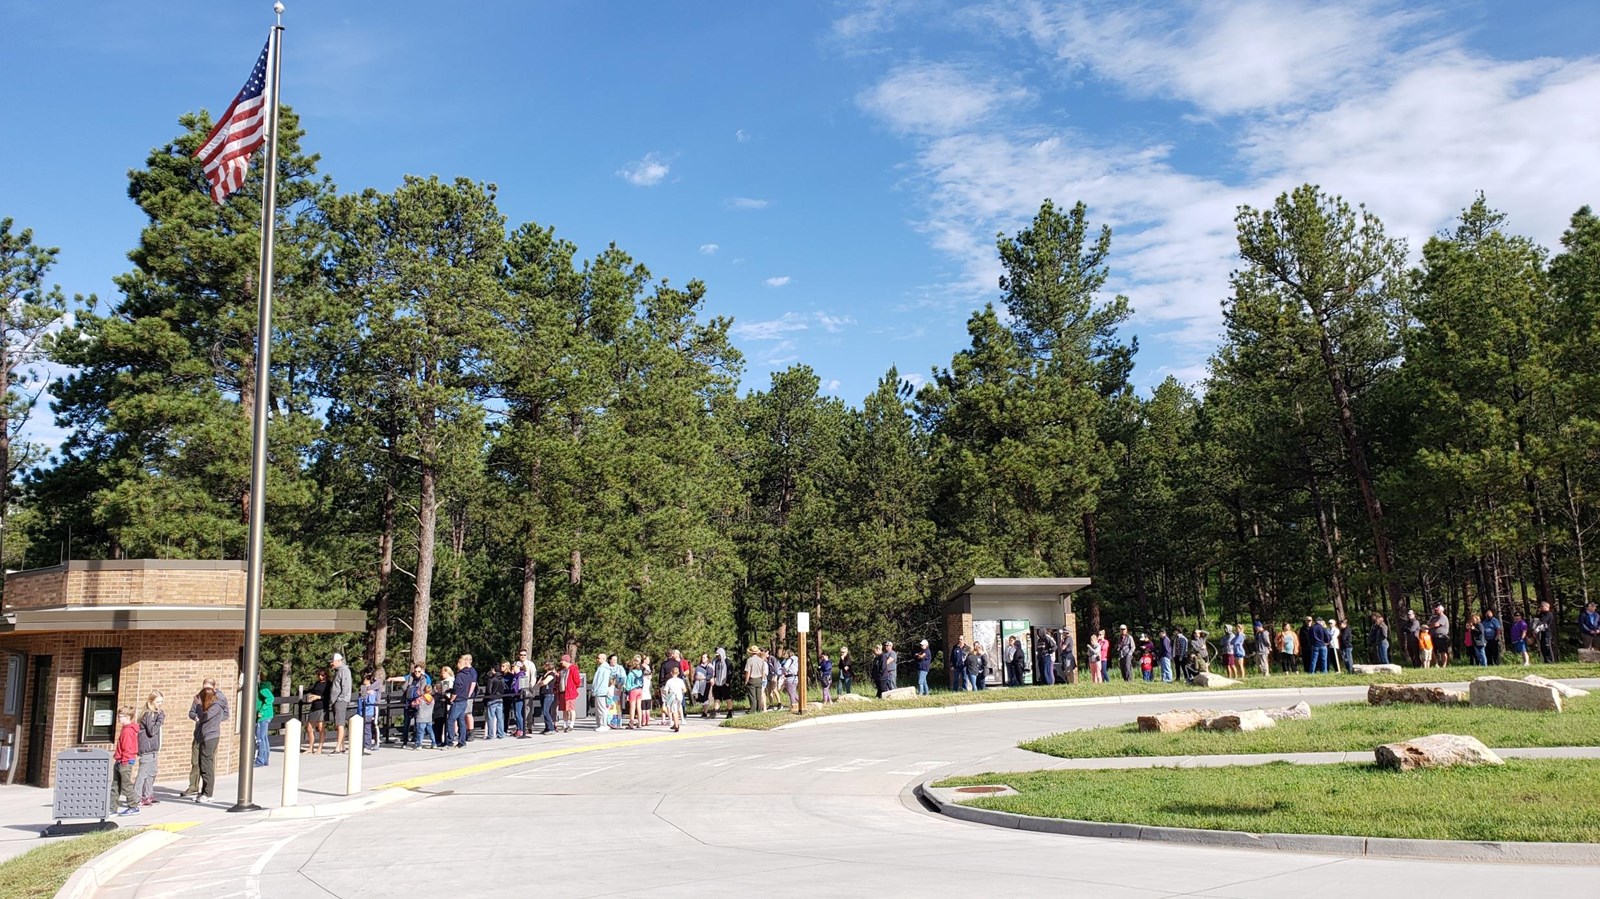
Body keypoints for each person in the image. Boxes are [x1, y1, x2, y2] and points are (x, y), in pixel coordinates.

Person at [181, 679, 228, 802]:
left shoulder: (217, 705)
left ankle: (208, 793)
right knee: (201, 764)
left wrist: (198, 706)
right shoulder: (205, 703)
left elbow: (205, 716)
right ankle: (202, 792)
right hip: (202, 734)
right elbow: (197, 714)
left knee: (207, 764)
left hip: (210, 736)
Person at [135, 691, 164, 807]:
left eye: (161, 702)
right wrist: (160, 719)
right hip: (147, 748)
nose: (160, 704)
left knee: (152, 772)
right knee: (142, 774)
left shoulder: (155, 714)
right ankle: (136, 798)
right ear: (150, 702)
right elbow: (152, 731)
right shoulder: (148, 714)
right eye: (157, 702)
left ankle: (147, 795)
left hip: (154, 748)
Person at [112, 707, 140, 816]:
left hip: (125, 761)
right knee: (115, 786)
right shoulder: (125, 729)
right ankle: (112, 808)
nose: (118, 718)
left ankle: (133, 806)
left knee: (126, 785)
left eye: (121, 716)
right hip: (120, 760)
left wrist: (123, 761)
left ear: (127, 717)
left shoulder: (128, 731)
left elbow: (128, 748)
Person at [449, 654, 478, 747]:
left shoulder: (463, 674)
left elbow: (459, 687)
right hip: (464, 698)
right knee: (461, 719)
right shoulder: (468, 674)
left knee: (451, 719)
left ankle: (450, 741)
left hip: (460, 699)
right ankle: (462, 741)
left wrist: (467, 695)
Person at [329, 651, 353, 754]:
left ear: (339, 661)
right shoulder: (339, 671)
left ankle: (338, 747)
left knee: (340, 724)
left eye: (333, 661)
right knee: (339, 723)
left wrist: (340, 698)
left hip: (341, 701)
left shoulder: (344, 670)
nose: (331, 664)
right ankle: (342, 746)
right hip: (337, 701)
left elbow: (346, 687)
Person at [403, 664, 430, 748]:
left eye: (419, 671)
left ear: (421, 671)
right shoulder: (410, 677)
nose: (417, 673)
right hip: (408, 702)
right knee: (406, 723)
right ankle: (405, 741)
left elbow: (422, 690)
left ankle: (417, 740)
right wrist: (409, 690)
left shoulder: (423, 679)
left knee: (417, 723)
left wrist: (417, 694)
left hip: (417, 703)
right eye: (415, 671)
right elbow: (404, 687)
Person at [305, 669, 330, 753]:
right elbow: (312, 691)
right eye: (319, 675)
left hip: (322, 706)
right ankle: (310, 747)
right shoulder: (317, 683)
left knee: (320, 727)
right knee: (309, 727)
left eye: (322, 675)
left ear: (326, 675)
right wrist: (311, 696)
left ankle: (320, 747)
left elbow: (328, 696)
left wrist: (318, 697)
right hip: (314, 706)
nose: (320, 677)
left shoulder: (329, 684)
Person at [357, 671, 380, 753]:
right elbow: (359, 700)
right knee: (362, 729)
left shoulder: (372, 691)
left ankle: (367, 744)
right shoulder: (362, 689)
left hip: (368, 712)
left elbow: (370, 701)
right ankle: (362, 744)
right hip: (361, 712)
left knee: (367, 729)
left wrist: (368, 693)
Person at [254, 677, 274, 767]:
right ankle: (265, 759)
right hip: (267, 716)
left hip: (263, 716)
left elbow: (270, 698)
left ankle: (260, 760)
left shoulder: (262, 688)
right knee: (264, 738)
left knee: (260, 738)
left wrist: (262, 711)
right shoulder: (263, 687)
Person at [484, 662, 507, 740]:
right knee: (500, 717)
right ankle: (501, 733)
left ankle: (490, 734)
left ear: (493, 669)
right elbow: (504, 688)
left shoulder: (491, 679)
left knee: (491, 717)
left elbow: (489, 690)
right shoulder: (502, 678)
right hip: (500, 698)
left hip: (492, 699)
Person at [559, 654, 581, 732]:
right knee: (564, 709)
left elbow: (577, 681)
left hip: (570, 692)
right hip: (563, 692)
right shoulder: (563, 670)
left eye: (562, 660)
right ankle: (565, 724)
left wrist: (572, 688)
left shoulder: (573, 669)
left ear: (566, 661)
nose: (561, 662)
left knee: (571, 709)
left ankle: (571, 725)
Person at [433, 665, 454, 744]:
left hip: (443, 705)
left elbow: (444, 693)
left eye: (443, 672)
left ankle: (439, 740)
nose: (441, 674)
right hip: (448, 705)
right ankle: (446, 739)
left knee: (439, 723)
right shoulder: (453, 680)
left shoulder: (446, 682)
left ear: (447, 672)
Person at [744, 645, 768, 713]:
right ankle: (759, 709)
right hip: (759, 679)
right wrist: (762, 678)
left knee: (752, 696)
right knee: (759, 696)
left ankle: (752, 710)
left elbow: (748, 671)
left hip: (752, 679)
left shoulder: (749, 660)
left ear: (751, 652)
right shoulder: (761, 660)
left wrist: (746, 681)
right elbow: (763, 671)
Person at [662, 666, 686, 732]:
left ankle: (676, 725)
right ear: (678, 673)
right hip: (679, 696)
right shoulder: (680, 680)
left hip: (673, 696)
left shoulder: (669, 681)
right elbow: (684, 690)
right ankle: (676, 723)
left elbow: (665, 690)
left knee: (674, 711)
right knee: (677, 709)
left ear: (671, 673)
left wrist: (666, 695)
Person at [709, 647, 731, 719]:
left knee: (727, 698)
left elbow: (730, 672)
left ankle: (730, 712)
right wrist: (714, 679)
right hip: (717, 682)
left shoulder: (727, 662)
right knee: (717, 698)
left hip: (725, 683)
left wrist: (728, 681)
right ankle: (715, 711)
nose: (717, 656)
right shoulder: (717, 662)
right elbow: (715, 672)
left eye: (718, 655)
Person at [625, 655, 645, 728]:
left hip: (633, 690)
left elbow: (628, 685)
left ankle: (631, 722)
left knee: (632, 707)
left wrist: (627, 691)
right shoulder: (641, 673)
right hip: (640, 689)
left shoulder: (631, 674)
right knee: (639, 707)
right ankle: (640, 723)